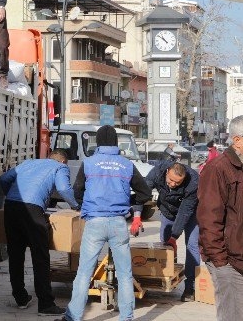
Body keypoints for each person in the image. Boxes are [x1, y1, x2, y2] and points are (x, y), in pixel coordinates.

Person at [59, 125, 152, 321]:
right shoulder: (126, 165)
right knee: (124, 273)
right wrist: (129, 203)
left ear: (98, 142)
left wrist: (88, 205)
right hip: (118, 223)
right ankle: (126, 317)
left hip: (95, 222)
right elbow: (145, 193)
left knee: (84, 272)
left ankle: (73, 316)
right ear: (116, 143)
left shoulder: (89, 163)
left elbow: (77, 192)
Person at [0, 149, 79, 317]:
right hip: (32, 210)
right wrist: (76, 205)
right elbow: (64, 190)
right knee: (40, 255)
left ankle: (21, 298)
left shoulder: (29, 162)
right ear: (63, 161)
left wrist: (12, 195)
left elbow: (4, 178)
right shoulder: (60, 168)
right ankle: (45, 304)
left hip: (11, 207)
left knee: (15, 253)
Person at [197, 115, 243, 320]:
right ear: (237, 140)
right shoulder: (217, 169)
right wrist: (220, 262)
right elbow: (209, 219)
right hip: (228, 261)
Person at [140, 161, 199, 301]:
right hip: (167, 210)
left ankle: (190, 286)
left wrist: (174, 236)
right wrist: (137, 213)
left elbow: (185, 211)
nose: (173, 184)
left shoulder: (194, 181)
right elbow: (143, 190)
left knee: (192, 246)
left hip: (191, 214)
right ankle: (168, 276)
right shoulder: (158, 171)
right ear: (167, 172)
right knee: (166, 247)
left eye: (177, 183)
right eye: (171, 180)